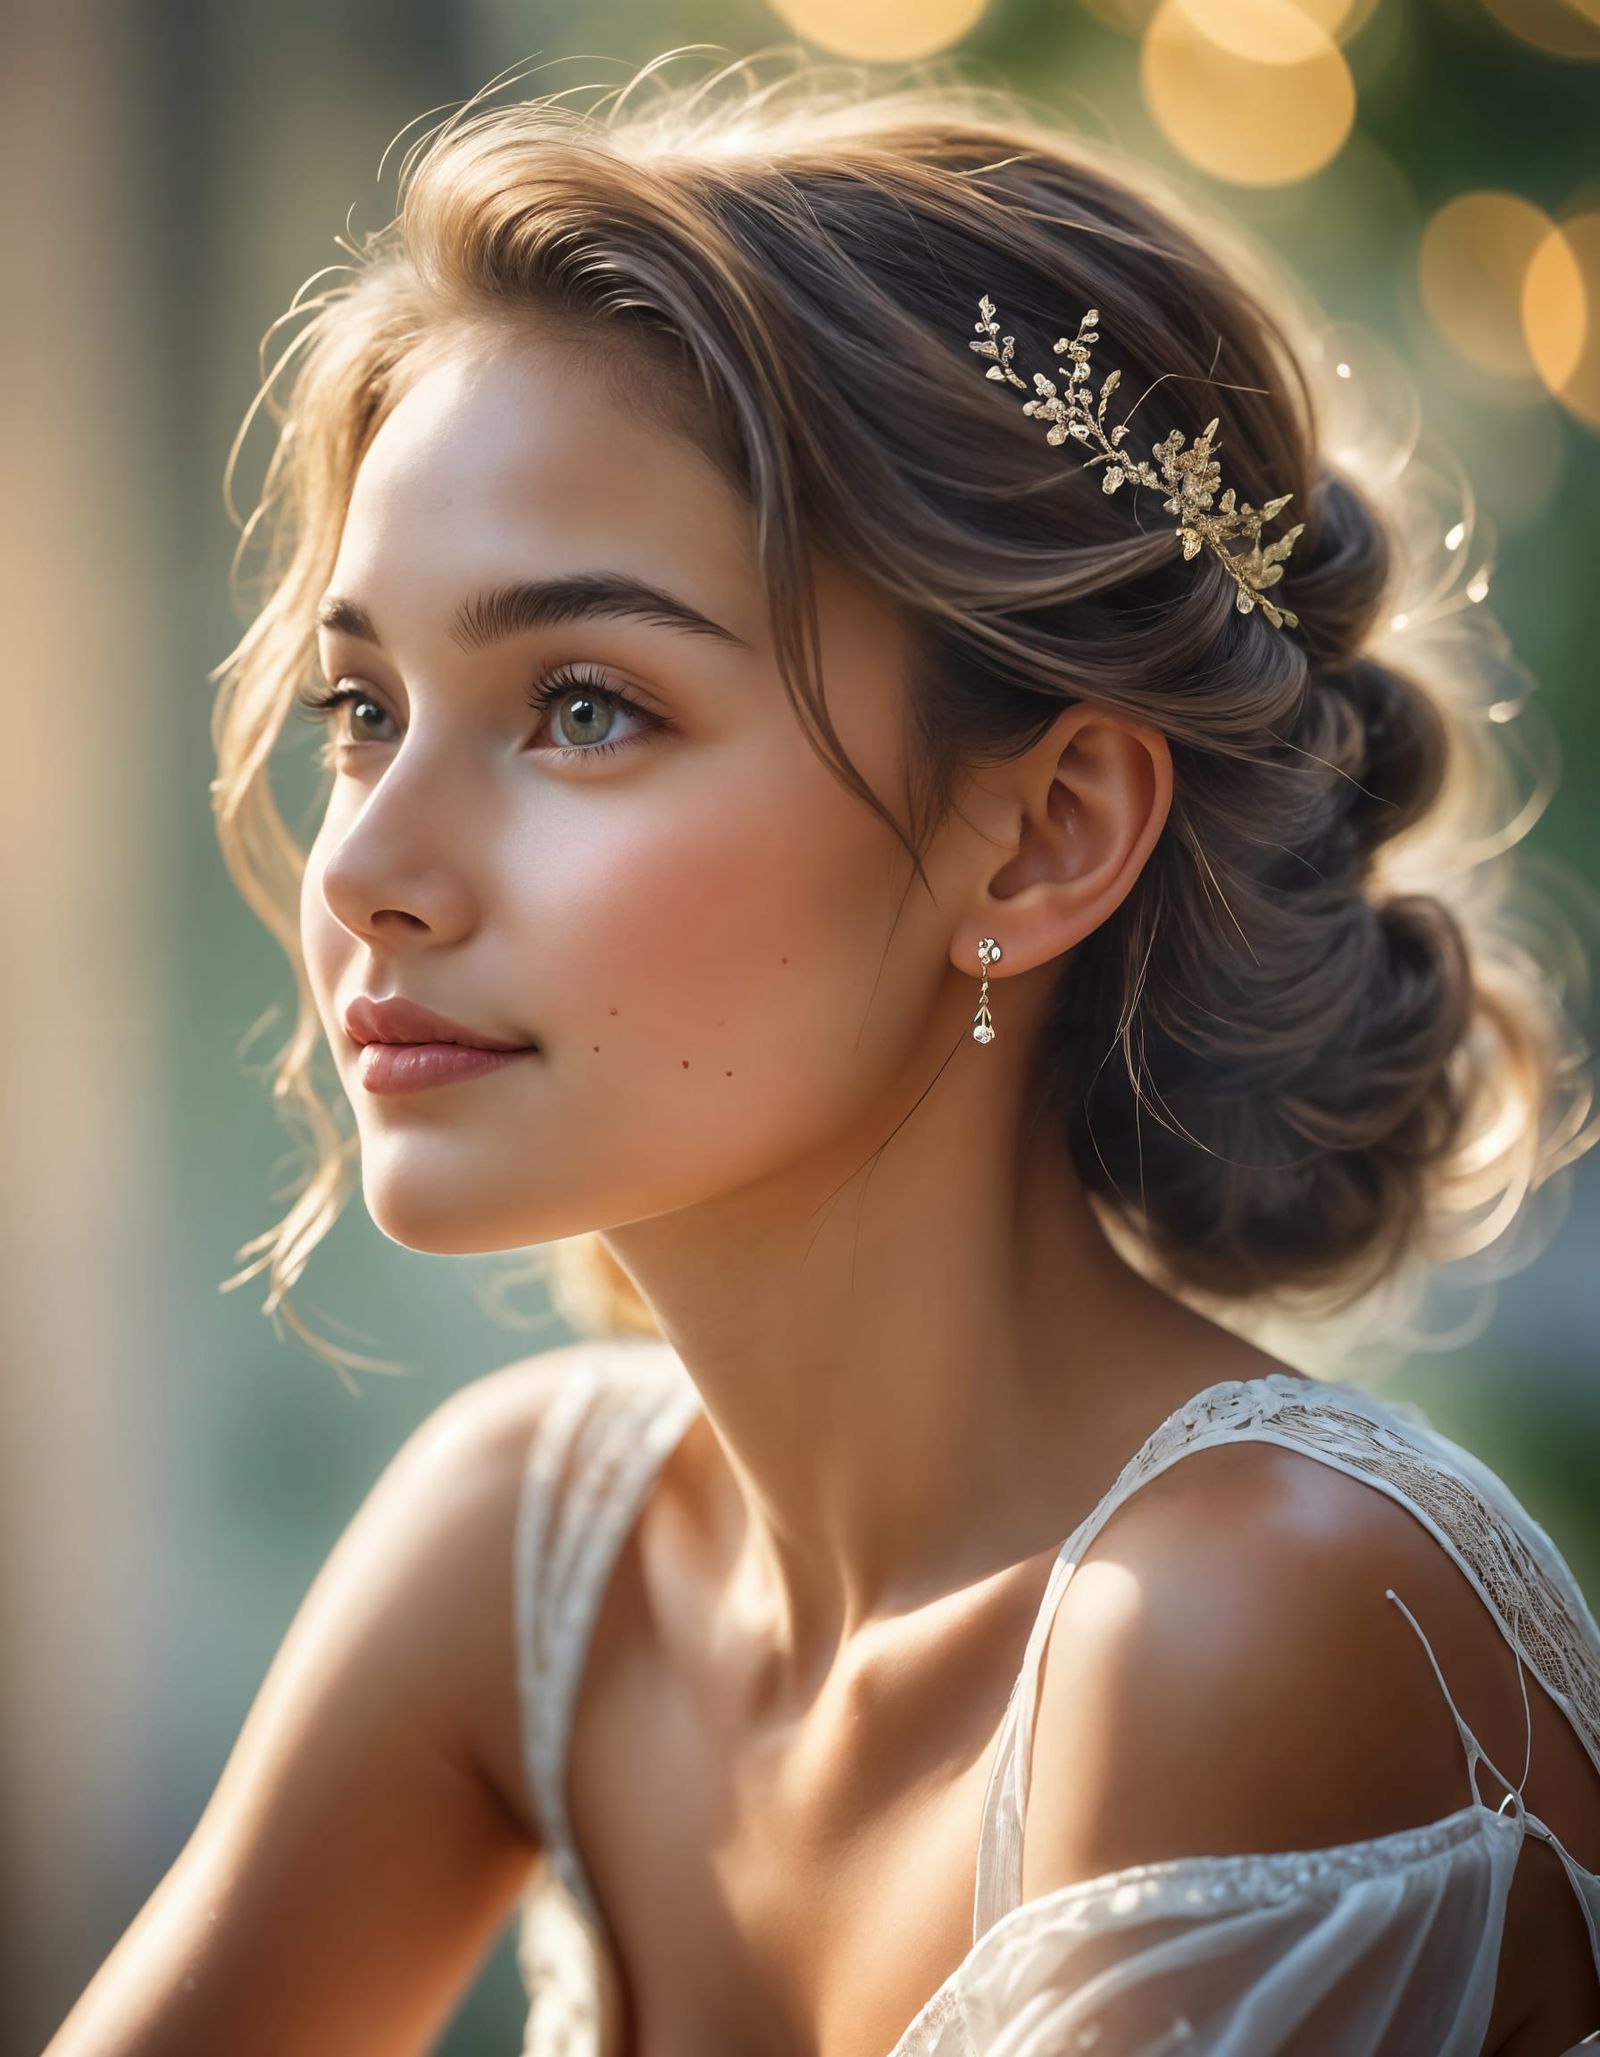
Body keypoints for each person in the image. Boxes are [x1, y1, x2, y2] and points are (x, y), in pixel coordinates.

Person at [48, 48, 1600, 2057]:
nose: (364, 870)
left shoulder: (1245, 1623)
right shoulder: (541, 1546)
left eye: (584, 706)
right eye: (363, 710)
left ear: (1042, 837)